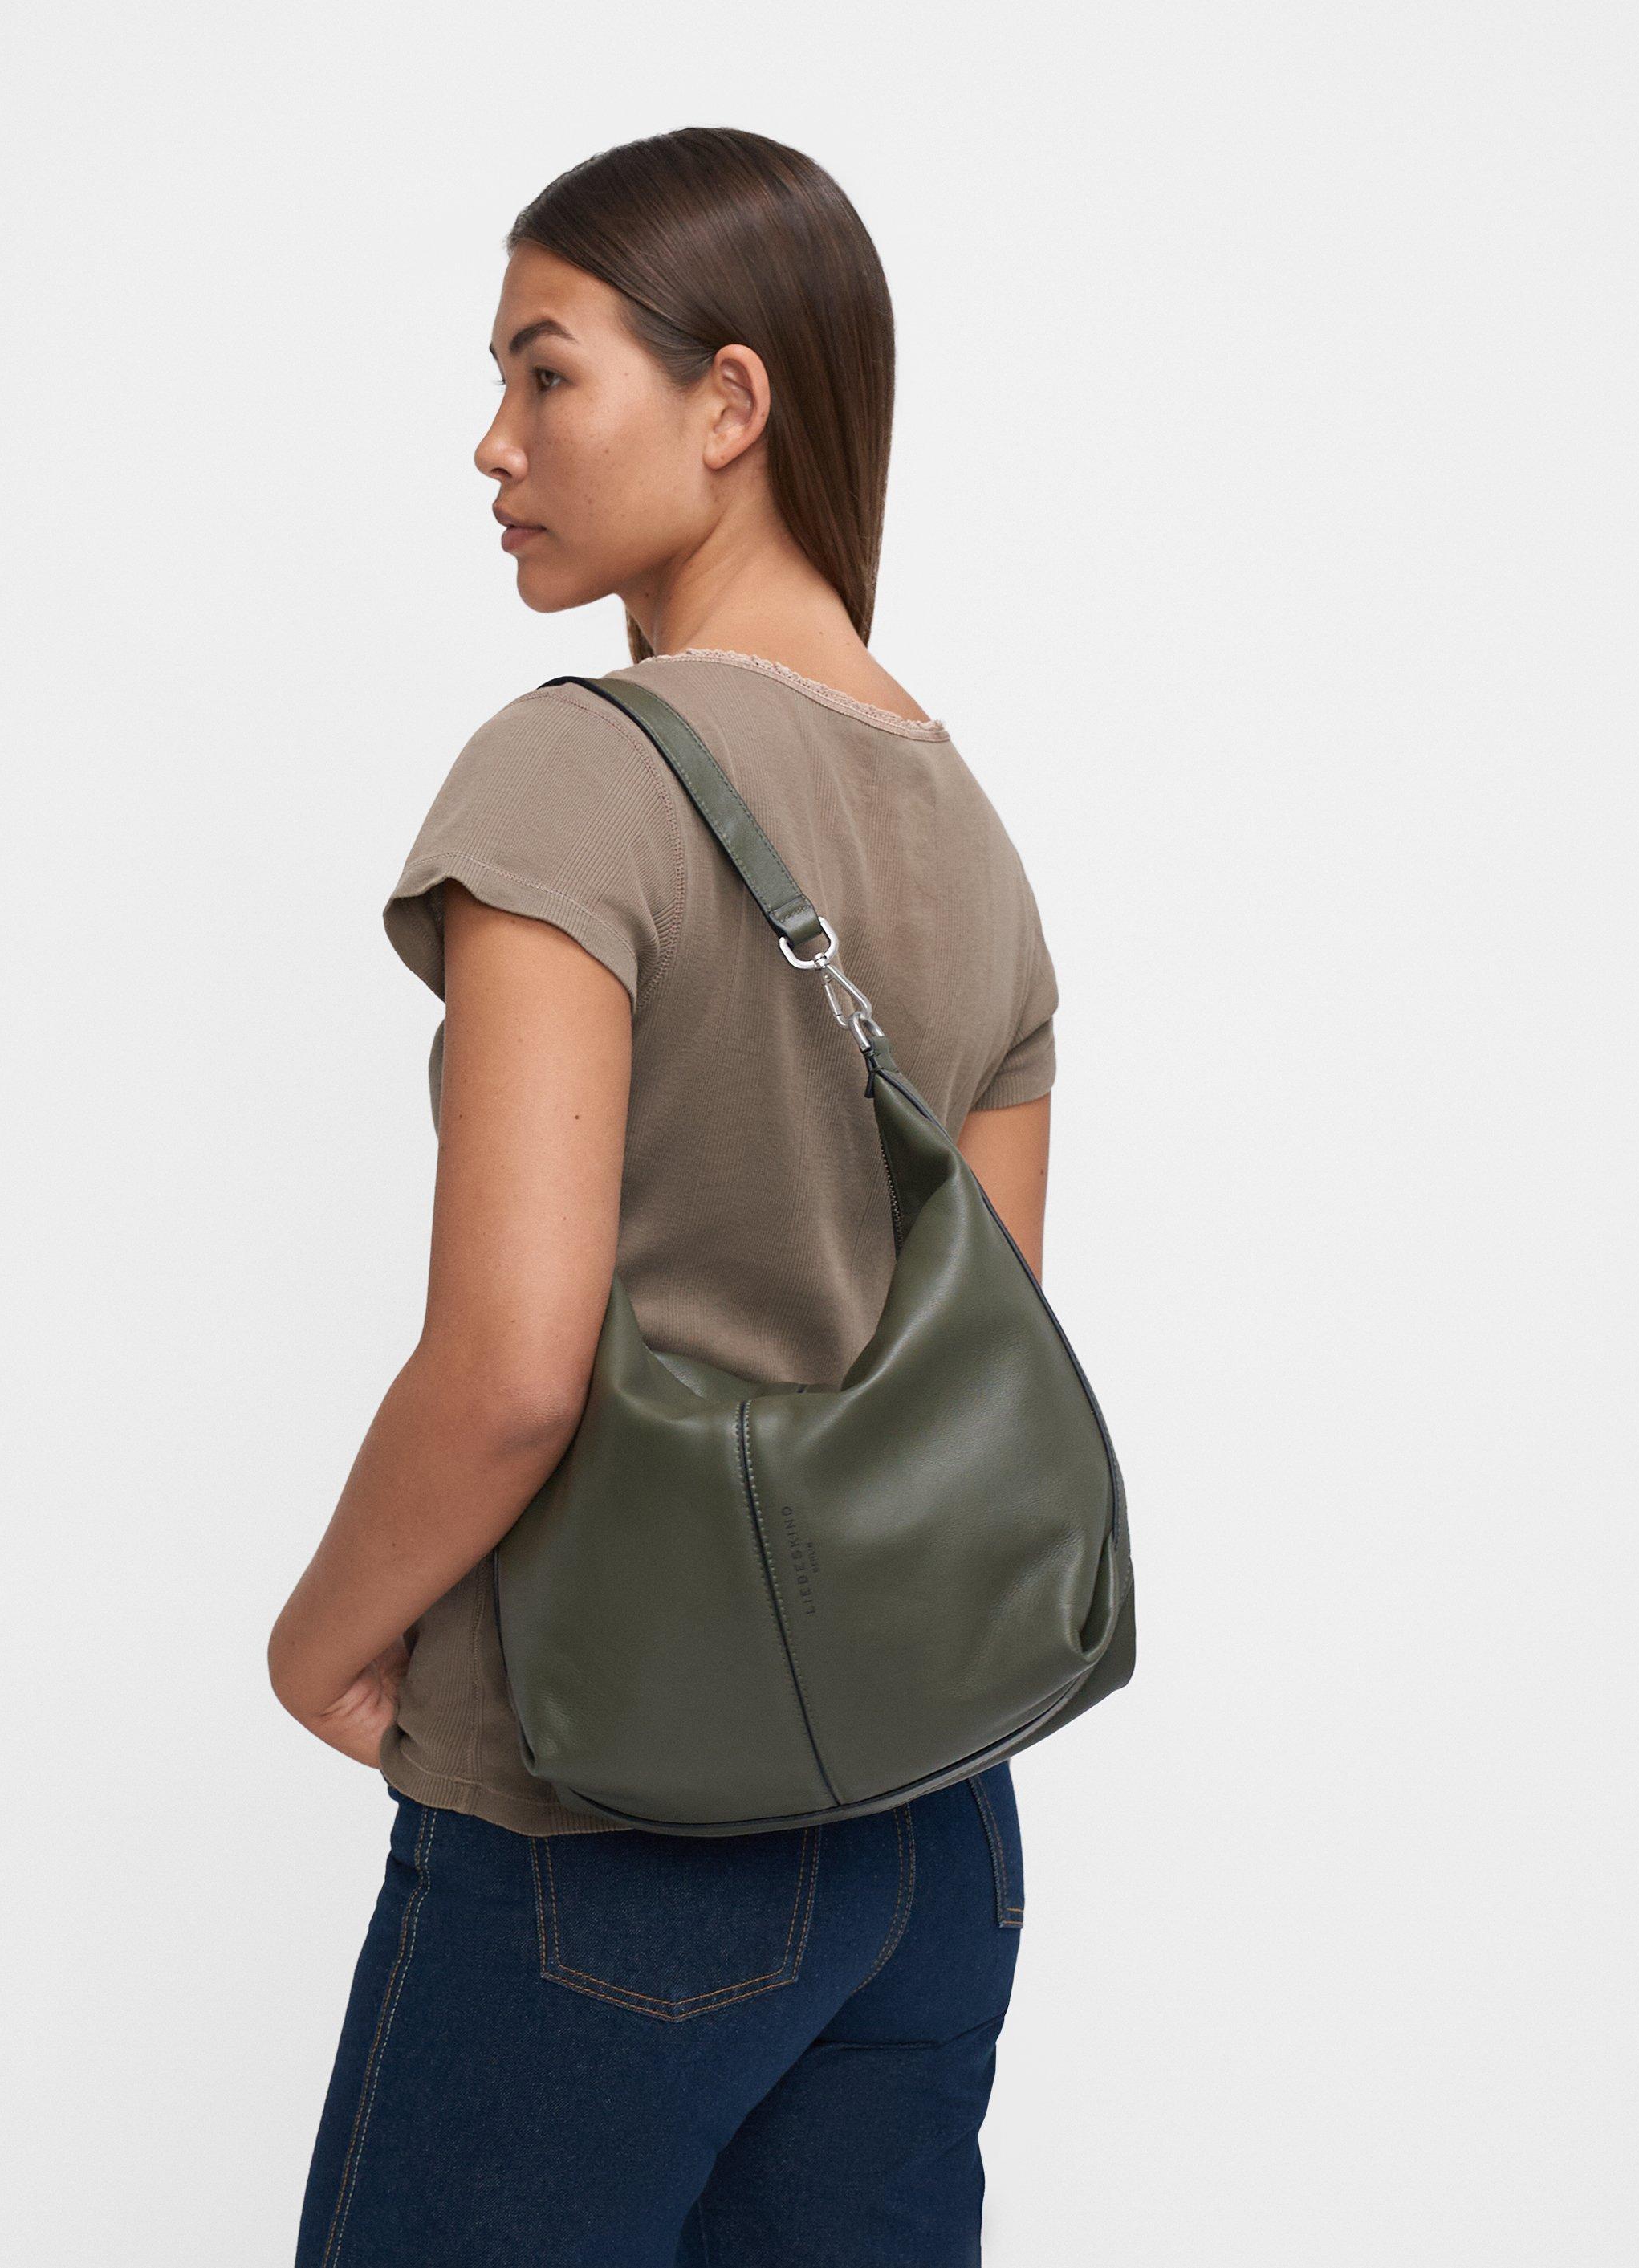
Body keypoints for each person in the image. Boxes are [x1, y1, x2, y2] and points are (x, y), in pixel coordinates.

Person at [269, 127, 1059, 2266]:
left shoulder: (575, 773)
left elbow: (514, 1366)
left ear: (730, 403)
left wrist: (322, 1642)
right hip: (931, 1846)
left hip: (601, 1824)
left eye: (546, 373)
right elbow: (979, 1392)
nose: (494, 442)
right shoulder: (979, 846)